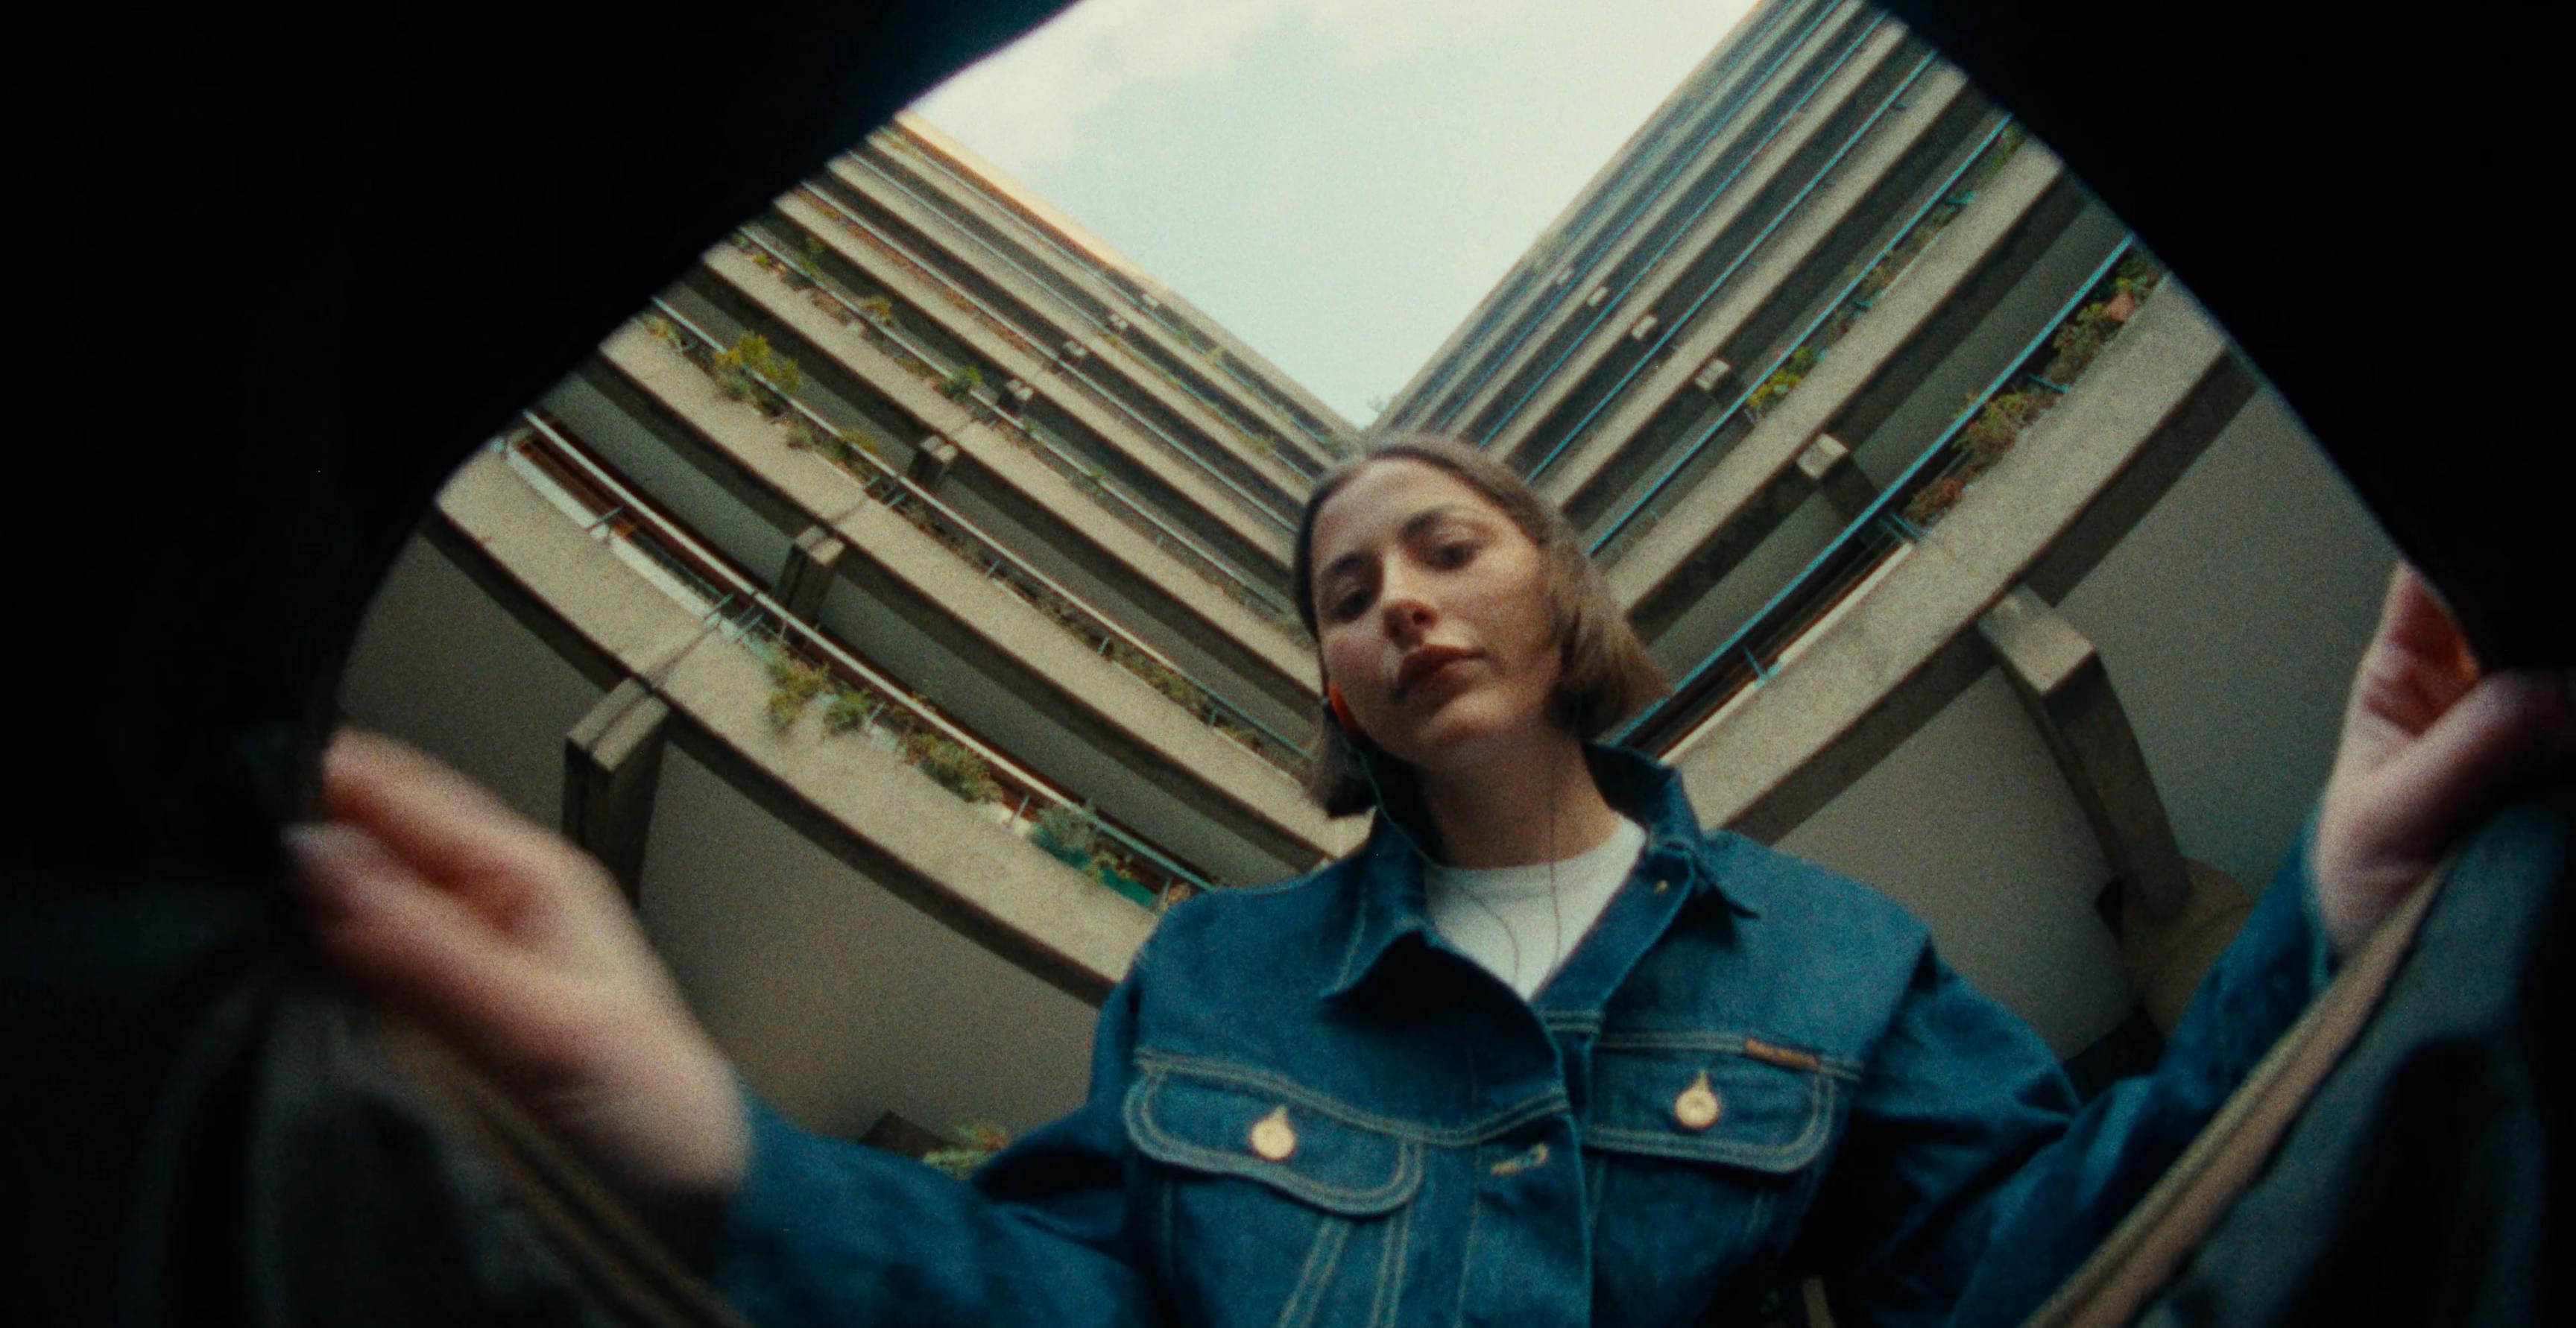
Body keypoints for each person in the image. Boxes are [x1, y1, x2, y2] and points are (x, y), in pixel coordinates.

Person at [291, 437, 2572, 1326]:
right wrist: (708, 1149)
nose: (1395, 598)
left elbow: (2048, 1266)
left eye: (1445, 547)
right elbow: (1064, 1309)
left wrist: (2334, 916)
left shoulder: (1832, 956)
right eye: (1345, 589)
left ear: (1554, 594)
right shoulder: (1216, 978)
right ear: (1339, 684)